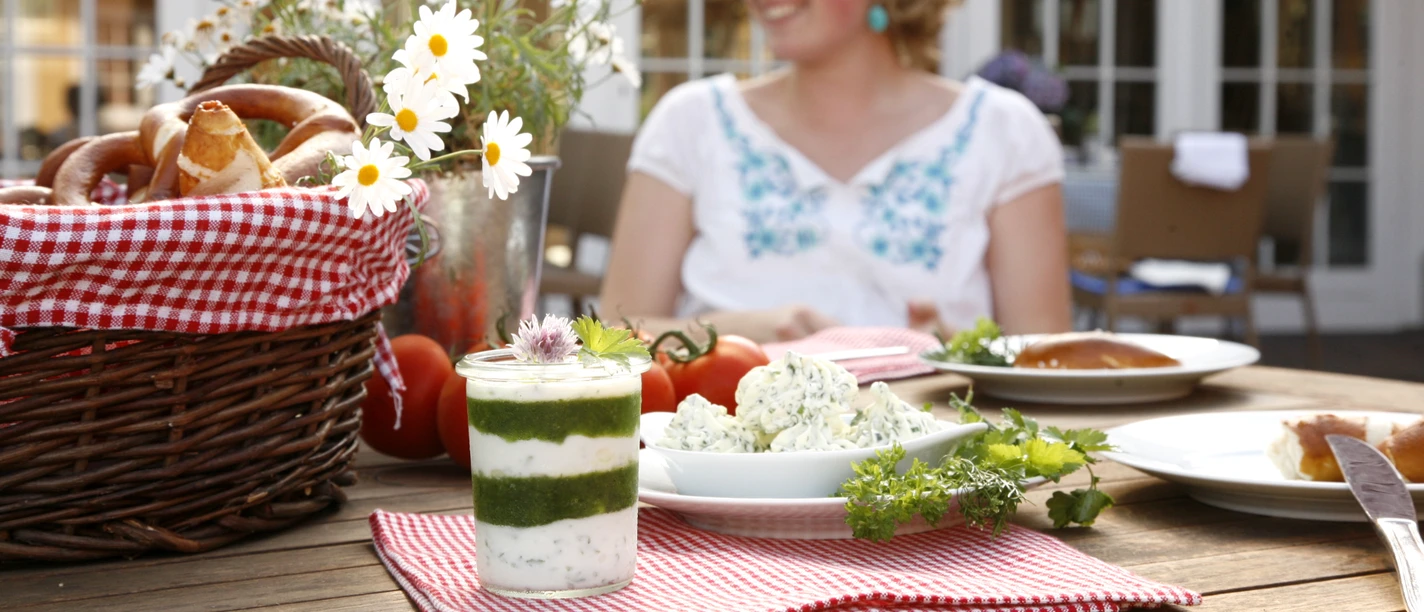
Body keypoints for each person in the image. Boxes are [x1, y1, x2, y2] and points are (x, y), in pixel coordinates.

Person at [600, 0, 1071, 343]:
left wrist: (958, 356)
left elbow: (1047, 359)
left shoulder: (1006, 132)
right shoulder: (689, 122)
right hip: (717, 470)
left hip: (934, 465)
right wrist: (739, 332)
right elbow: (612, 338)